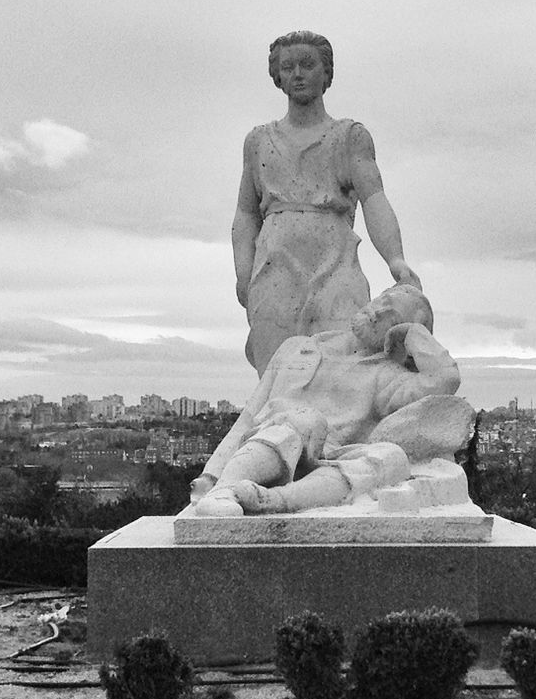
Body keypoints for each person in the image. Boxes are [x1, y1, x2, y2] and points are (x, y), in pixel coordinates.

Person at [234, 30, 421, 375]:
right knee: (277, 377)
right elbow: (246, 214)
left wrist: (396, 259)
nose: (298, 74)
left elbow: (374, 198)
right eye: (288, 67)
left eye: (308, 64)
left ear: (326, 73)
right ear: (277, 76)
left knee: (342, 369)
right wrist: (243, 272)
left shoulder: (349, 137)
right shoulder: (258, 141)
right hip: (275, 265)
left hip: (335, 261)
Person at [190, 283, 463, 516]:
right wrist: (210, 477)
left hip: (327, 464)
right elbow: (248, 417)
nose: (377, 311)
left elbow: (444, 380)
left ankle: (274, 500)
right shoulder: (297, 348)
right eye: (382, 300)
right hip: (271, 440)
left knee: (393, 457)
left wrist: (415, 334)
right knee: (306, 419)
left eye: (392, 318)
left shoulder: (386, 377)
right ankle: (226, 489)